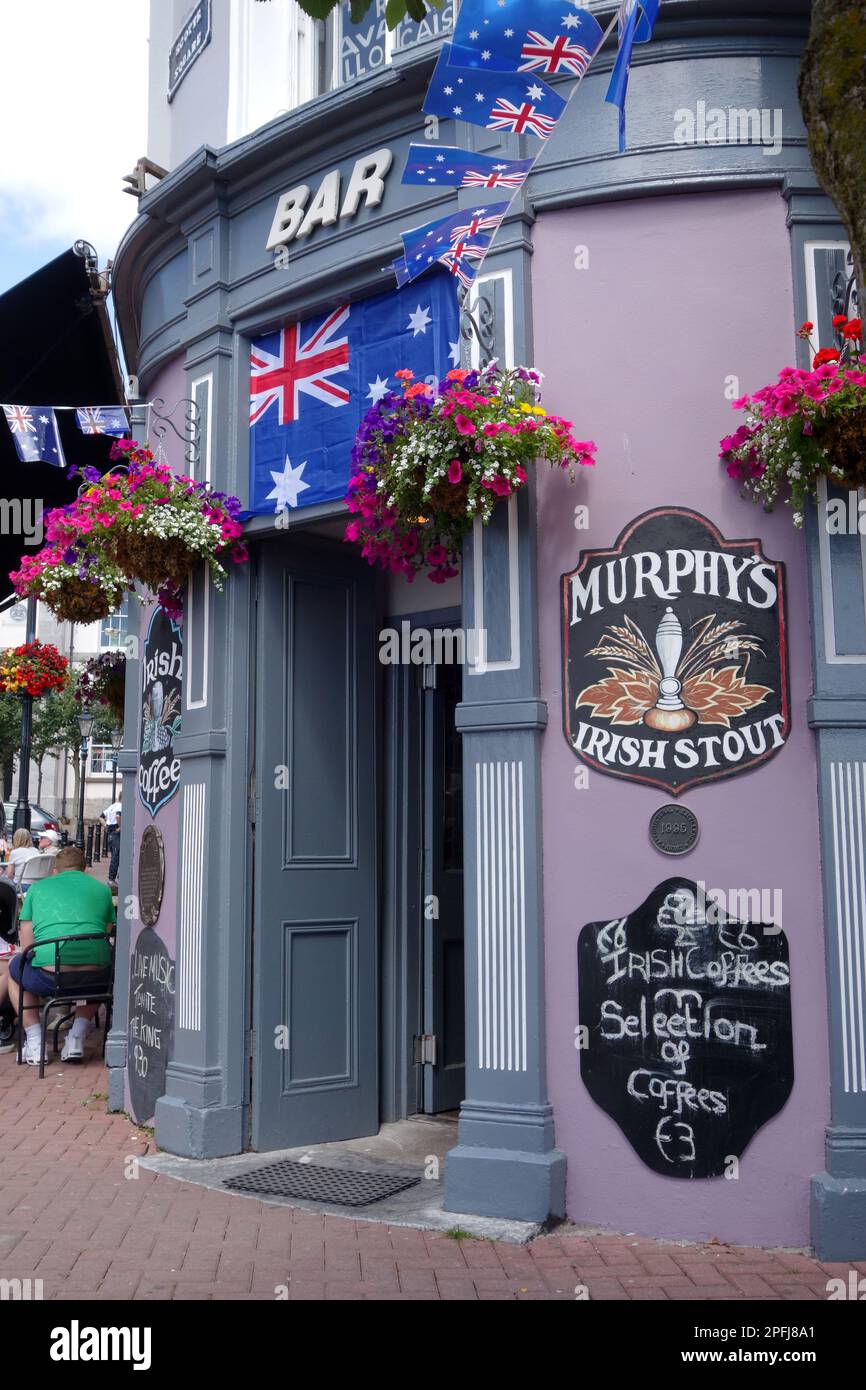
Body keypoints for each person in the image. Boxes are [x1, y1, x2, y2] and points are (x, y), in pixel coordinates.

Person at [7, 845, 114, 1066]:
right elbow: (107, 930)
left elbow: (27, 944)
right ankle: (76, 1037)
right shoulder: (102, 890)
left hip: (51, 976)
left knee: (16, 968)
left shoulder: (38, 889)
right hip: (97, 977)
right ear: (84, 870)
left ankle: (36, 1043)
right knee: (98, 971)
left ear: (55, 870)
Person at [101, 792, 122, 887]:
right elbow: (118, 816)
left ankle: (115, 877)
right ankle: (111, 880)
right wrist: (121, 826)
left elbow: (101, 817)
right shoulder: (121, 806)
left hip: (110, 832)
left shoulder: (112, 806)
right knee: (116, 856)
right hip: (116, 832)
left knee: (115, 855)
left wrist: (105, 825)